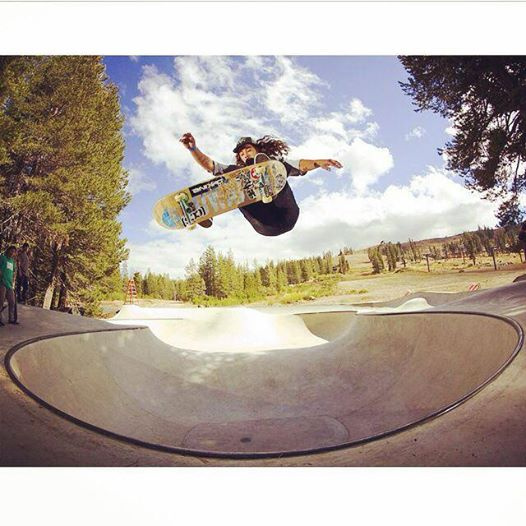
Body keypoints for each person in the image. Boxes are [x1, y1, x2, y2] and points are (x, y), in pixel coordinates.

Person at [179, 133, 342, 236]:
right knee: (230, 180)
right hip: (264, 224)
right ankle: (202, 210)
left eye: (248, 150)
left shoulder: (276, 164)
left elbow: (301, 165)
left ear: (258, 149)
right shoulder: (234, 170)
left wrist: (320, 162)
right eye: (242, 153)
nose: (245, 154)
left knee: (274, 168)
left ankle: (268, 187)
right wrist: (193, 149)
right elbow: (211, 166)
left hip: (287, 214)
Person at [0, 246, 19, 326]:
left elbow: (13, 272)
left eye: (13, 252)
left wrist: (13, 281)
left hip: (9, 284)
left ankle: (11, 318)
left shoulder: (12, 262)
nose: (12, 253)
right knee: (1, 301)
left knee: (12, 301)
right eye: (11, 251)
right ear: (8, 250)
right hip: (2, 282)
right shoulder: (2, 258)